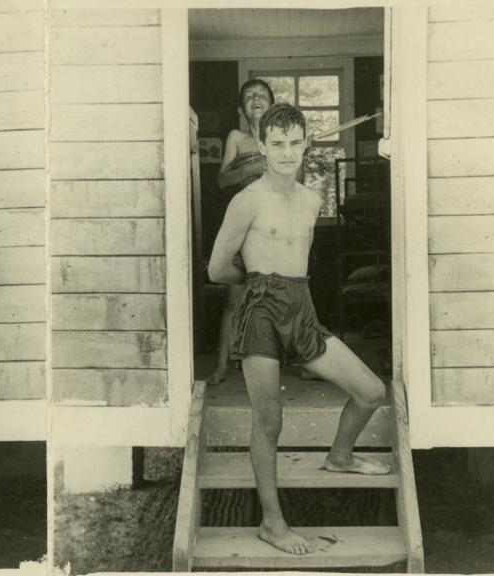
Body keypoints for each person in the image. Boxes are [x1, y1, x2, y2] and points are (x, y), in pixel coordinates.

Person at [206, 103, 389, 556]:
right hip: (261, 310)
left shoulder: (311, 200)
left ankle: (340, 456)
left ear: (306, 144)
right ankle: (272, 522)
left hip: (301, 309)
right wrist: (256, 286)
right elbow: (215, 270)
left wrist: (286, 295)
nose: (287, 152)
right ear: (263, 148)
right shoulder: (246, 200)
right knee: (270, 420)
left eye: (295, 143)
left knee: (370, 391)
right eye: (277, 144)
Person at [207, 79, 274, 386]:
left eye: (261, 95)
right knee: (234, 299)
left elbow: (297, 179)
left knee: (282, 297)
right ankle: (221, 367)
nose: (255, 98)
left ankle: (300, 362)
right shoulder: (237, 137)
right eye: (249, 96)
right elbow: (222, 180)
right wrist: (251, 169)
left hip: (274, 227)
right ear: (241, 109)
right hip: (241, 226)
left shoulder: (282, 139)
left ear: (272, 104)